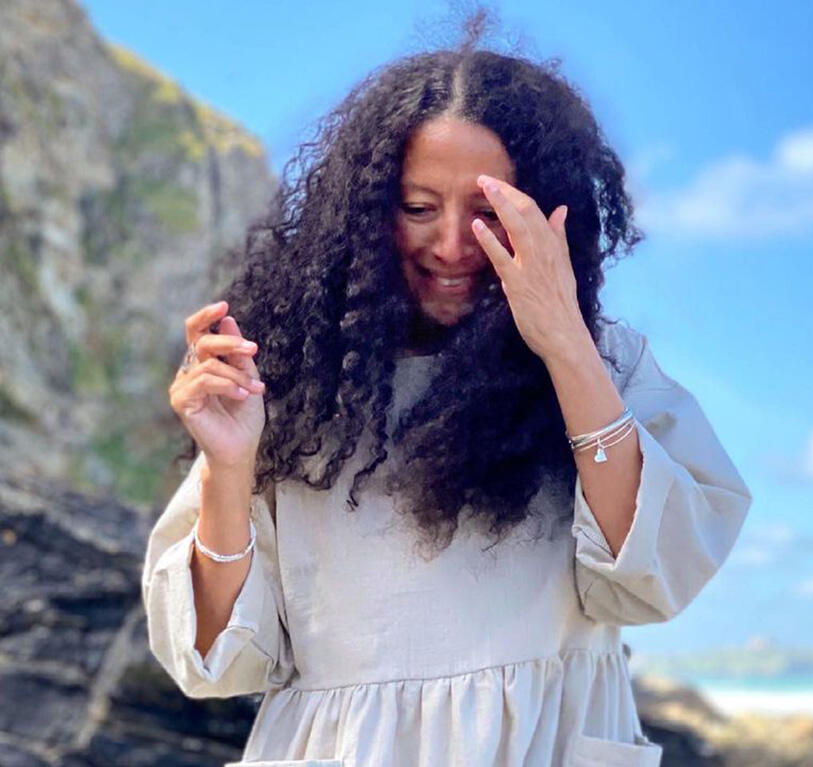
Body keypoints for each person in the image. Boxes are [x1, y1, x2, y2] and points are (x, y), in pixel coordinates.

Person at [142, 27, 753, 767]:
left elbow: (656, 575)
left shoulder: (605, 363)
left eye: (490, 212)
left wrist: (564, 343)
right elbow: (214, 660)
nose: (455, 244)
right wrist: (231, 468)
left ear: (547, 211)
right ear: (367, 211)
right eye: (419, 206)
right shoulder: (289, 381)